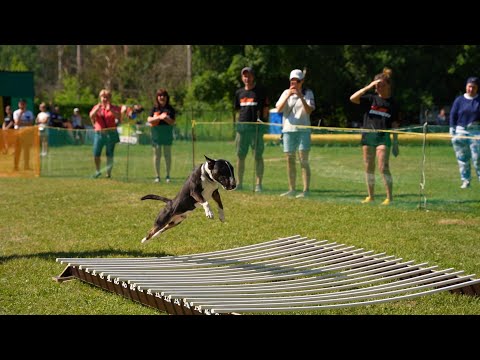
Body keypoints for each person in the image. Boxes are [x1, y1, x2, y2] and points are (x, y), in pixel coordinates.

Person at [349, 67, 400, 205]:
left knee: (383, 167)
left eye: (381, 85)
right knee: (368, 167)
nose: (378, 88)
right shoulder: (370, 99)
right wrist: (369, 86)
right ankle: (370, 196)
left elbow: (395, 124)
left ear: (388, 85)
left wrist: (395, 143)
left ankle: (389, 197)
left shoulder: (393, 103)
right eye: (376, 86)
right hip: (368, 137)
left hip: (383, 137)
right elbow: (352, 98)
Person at [275, 69, 315, 198]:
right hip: (288, 131)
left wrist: (301, 96)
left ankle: (306, 190)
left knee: (303, 161)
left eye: (297, 81)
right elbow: (278, 109)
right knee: (290, 161)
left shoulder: (308, 93)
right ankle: (292, 189)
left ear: (302, 81)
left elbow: (309, 110)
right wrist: (288, 95)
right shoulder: (285, 93)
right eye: (292, 81)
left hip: (303, 131)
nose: (294, 83)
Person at [233, 66, 270, 192]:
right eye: (244, 76)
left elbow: (265, 109)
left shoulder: (260, 91)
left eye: (248, 76)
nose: (246, 78)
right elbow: (238, 110)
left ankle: (258, 184)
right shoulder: (238, 93)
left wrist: (264, 122)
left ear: (253, 77)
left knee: (258, 156)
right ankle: (239, 183)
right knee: (240, 156)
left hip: (256, 130)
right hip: (242, 129)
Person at [449, 76, 480, 189]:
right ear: (466, 86)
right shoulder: (459, 100)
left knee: (478, 158)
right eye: (469, 86)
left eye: (474, 87)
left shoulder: (479, 100)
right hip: (460, 132)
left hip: (476, 132)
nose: (471, 89)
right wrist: (452, 128)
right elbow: (453, 114)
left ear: (477, 88)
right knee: (462, 158)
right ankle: (466, 181)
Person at [89, 89, 122, 178]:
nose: (105, 99)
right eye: (103, 97)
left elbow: (119, 117)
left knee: (109, 154)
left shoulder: (114, 108)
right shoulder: (97, 107)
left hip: (110, 134)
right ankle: (97, 171)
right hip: (99, 134)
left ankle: (108, 173)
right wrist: (97, 109)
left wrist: (111, 110)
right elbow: (91, 116)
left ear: (110, 98)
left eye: (107, 97)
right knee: (96, 153)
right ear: (100, 98)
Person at [147, 88, 175, 183]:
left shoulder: (170, 109)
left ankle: (168, 176)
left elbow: (172, 122)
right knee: (157, 155)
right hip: (156, 136)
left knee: (167, 155)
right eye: (160, 95)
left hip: (167, 135)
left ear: (167, 97)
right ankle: (157, 176)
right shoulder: (154, 108)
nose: (161, 97)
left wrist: (166, 118)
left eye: (163, 95)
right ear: (157, 97)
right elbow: (149, 120)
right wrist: (159, 117)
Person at [13, 98, 35, 171]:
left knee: (26, 150)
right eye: (20, 103)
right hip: (18, 133)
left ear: (25, 104)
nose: (21, 105)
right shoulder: (16, 112)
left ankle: (26, 166)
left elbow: (31, 123)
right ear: (18, 104)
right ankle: (16, 166)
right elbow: (17, 123)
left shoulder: (29, 113)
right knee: (17, 150)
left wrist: (23, 123)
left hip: (26, 134)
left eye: (23, 103)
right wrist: (21, 114)